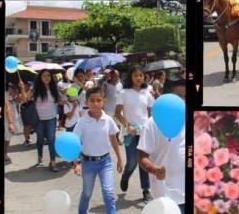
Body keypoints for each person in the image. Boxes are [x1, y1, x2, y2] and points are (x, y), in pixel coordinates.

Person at [138, 79, 186, 213]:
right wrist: (154, 169)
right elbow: (142, 156)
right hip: (167, 196)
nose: (183, 101)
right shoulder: (152, 123)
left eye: (186, 97)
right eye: (179, 96)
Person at [72, 88, 123, 214]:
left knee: (109, 192)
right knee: (87, 192)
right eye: (92, 100)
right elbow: (75, 143)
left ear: (104, 101)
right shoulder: (82, 122)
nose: (95, 103)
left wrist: (119, 159)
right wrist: (76, 163)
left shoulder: (108, 120)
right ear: (87, 102)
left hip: (105, 162)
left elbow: (114, 140)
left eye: (99, 100)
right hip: (88, 162)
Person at [114, 66, 154, 204]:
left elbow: (151, 112)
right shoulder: (124, 92)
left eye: (141, 75)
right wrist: (127, 126)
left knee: (144, 162)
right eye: (136, 75)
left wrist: (150, 126)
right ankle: (126, 176)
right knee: (132, 162)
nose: (138, 78)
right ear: (130, 77)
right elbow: (117, 113)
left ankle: (146, 190)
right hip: (129, 133)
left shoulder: (147, 93)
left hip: (144, 133)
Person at [31, 69, 65, 171]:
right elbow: (24, 99)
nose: (47, 78)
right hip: (39, 119)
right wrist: (23, 89)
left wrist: (65, 94)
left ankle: (53, 162)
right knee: (40, 140)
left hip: (51, 118)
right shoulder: (35, 90)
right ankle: (40, 157)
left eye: (48, 76)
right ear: (40, 78)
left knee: (51, 140)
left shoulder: (55, 89)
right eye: (44, 76)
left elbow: (60, 102)